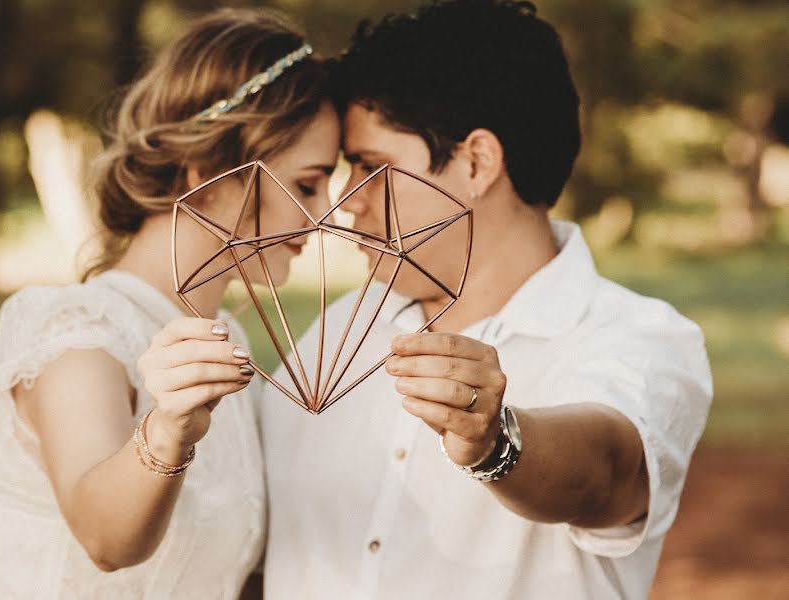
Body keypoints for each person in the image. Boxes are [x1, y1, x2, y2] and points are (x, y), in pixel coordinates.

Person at [257, 1, 712, 598]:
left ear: (477, 162)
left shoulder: (639, 339)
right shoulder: (326, 338)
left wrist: (497, 441)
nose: (347, 203)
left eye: (371, 168)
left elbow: (604, 474)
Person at [0, 9, 340, 598]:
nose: (325, 216)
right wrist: (168, 430)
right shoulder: (76, 335)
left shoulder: (230, 345)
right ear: (212, 168)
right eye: (306, 185)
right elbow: (107, 539)